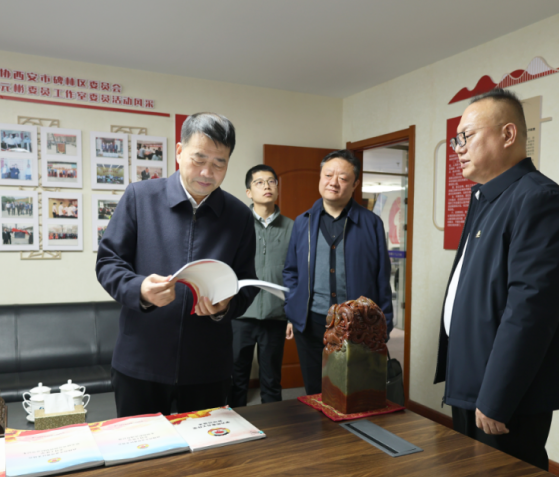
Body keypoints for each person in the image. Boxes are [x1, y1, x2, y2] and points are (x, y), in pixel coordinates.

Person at [436, 89, 559, 471]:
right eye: (456, 140)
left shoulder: (539, 199)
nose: (458, 148)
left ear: (508, 134)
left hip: (503, 392)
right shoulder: (486, 198)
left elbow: (530, 310)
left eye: (467, 136)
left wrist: (496, 397)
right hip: (471, 378)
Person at [96, 112, 258, 418]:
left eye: (219, 163)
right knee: (142, 446)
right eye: (199, 159)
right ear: (180, 152)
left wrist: (226, 306)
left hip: (208, 368)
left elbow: (247, 281)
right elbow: (108, 262)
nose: (207, 172)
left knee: (207, 449)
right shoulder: (140, 197)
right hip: (141, 363)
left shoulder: (239, 215)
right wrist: (139, 289)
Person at [283, 149, 393, 395]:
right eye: (328, 175)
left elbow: (381, 277)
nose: (333, 182)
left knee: (352, 391)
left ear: (355, 184)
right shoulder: (303, 222)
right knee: (315, 390)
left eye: (342, 178)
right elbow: (291, 271)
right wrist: (293, 308)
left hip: (357, 323)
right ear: (320, 178)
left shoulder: (371, 223)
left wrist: (384, 322)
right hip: (311, 322)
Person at [229, 165, 294, 407]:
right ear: (249, 192)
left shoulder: (293, 228)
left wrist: (292, 316)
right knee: (236, 380)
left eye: (271, 181)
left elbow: (297, 274)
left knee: (271, 381)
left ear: (277, 188)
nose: (266, 186)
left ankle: (273, 426)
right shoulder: (237, 225)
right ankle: (235, 426)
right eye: (259, 182)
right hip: (240, 314)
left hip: (276, 316)